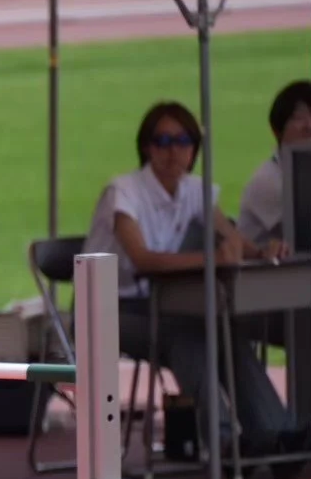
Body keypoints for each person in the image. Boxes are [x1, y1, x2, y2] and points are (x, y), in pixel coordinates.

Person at [82, 101, 298, 459]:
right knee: (188, 336)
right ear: (147, 146)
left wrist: (261, 251)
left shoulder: (195, 190)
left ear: (194, 148)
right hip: (109, 309)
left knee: (227, 333)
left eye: (182, 140)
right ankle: (226, 439)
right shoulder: (123, 192)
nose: (173, 150)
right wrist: (210, 258)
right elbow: (142, 258)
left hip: (165, 304)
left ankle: (276, 433)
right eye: (162, 140)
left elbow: (230, 236)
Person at [237, 80, 311, 246]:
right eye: (299, 118)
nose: (309, 126)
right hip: (266, 271)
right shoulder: (269, 181)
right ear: (277, 130)